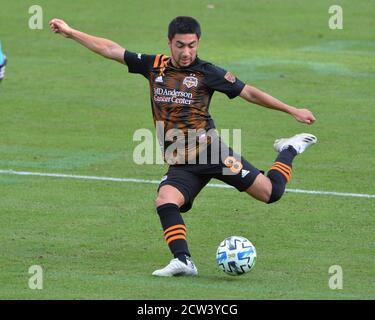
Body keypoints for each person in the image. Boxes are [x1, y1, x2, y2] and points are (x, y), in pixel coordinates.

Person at [49, 16, 317, 277]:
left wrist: (291, 109)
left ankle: (290, 148)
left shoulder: (207, 72)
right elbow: (111, 49)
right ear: (169, 43)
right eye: (180, 45)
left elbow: (249, 92)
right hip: (181, 161)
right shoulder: (154, 66)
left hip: (212, 152)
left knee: (271, 193)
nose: (186, 51)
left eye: (191, 45)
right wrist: (71, 32)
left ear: (198, 43)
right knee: (165, 200)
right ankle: (183, 260)